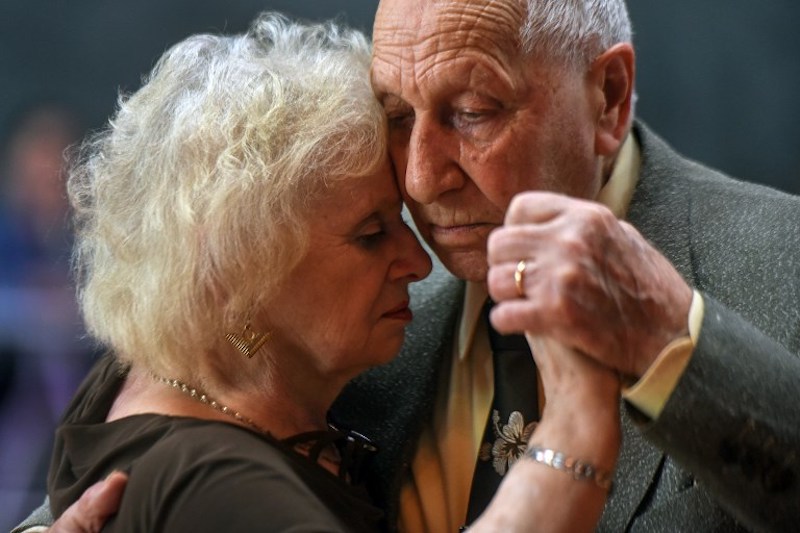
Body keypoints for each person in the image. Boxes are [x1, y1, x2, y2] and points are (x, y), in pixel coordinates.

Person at [17, 0, 800, 531]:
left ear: (608, 96)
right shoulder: (341, 314)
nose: (421, 180)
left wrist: (682, 350)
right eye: (395, 115)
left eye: (473, 112)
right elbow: (150, 467)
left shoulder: (780, 255)